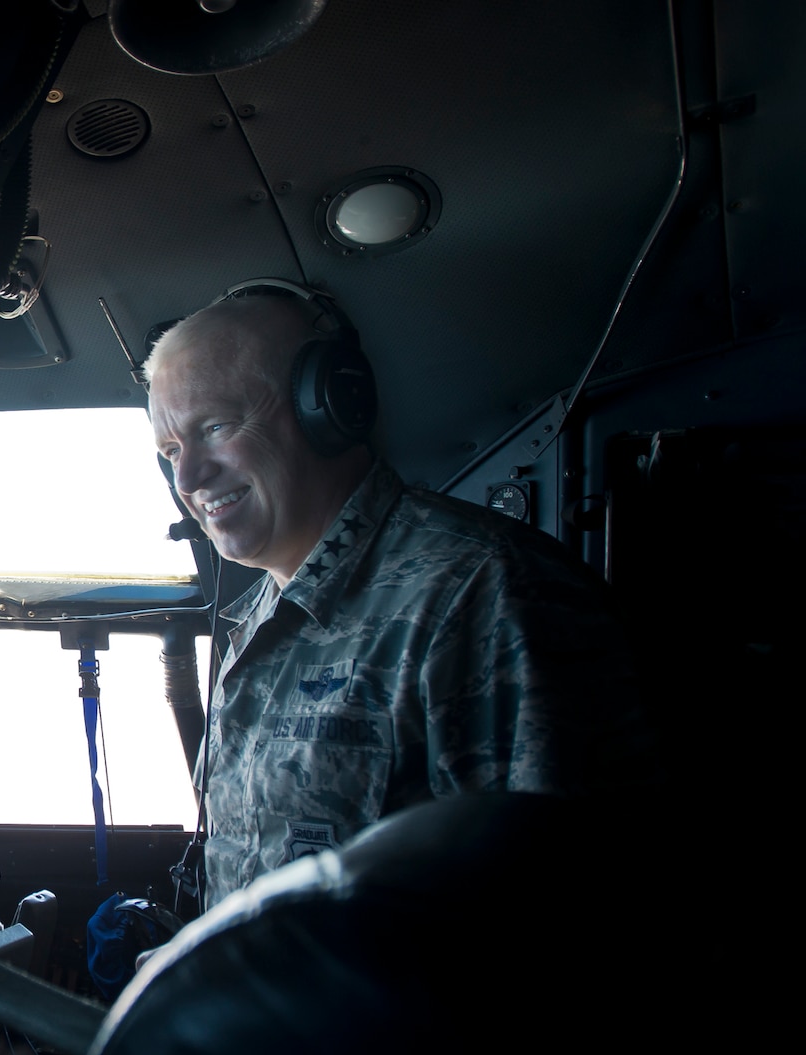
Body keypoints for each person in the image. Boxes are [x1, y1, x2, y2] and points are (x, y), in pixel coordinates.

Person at [147, 281, 651, 906]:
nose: (189, 478)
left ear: (325, 408)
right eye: (170, 451)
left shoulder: (486, 593)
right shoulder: (256, 619)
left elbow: (563, 906)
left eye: (216, 427)